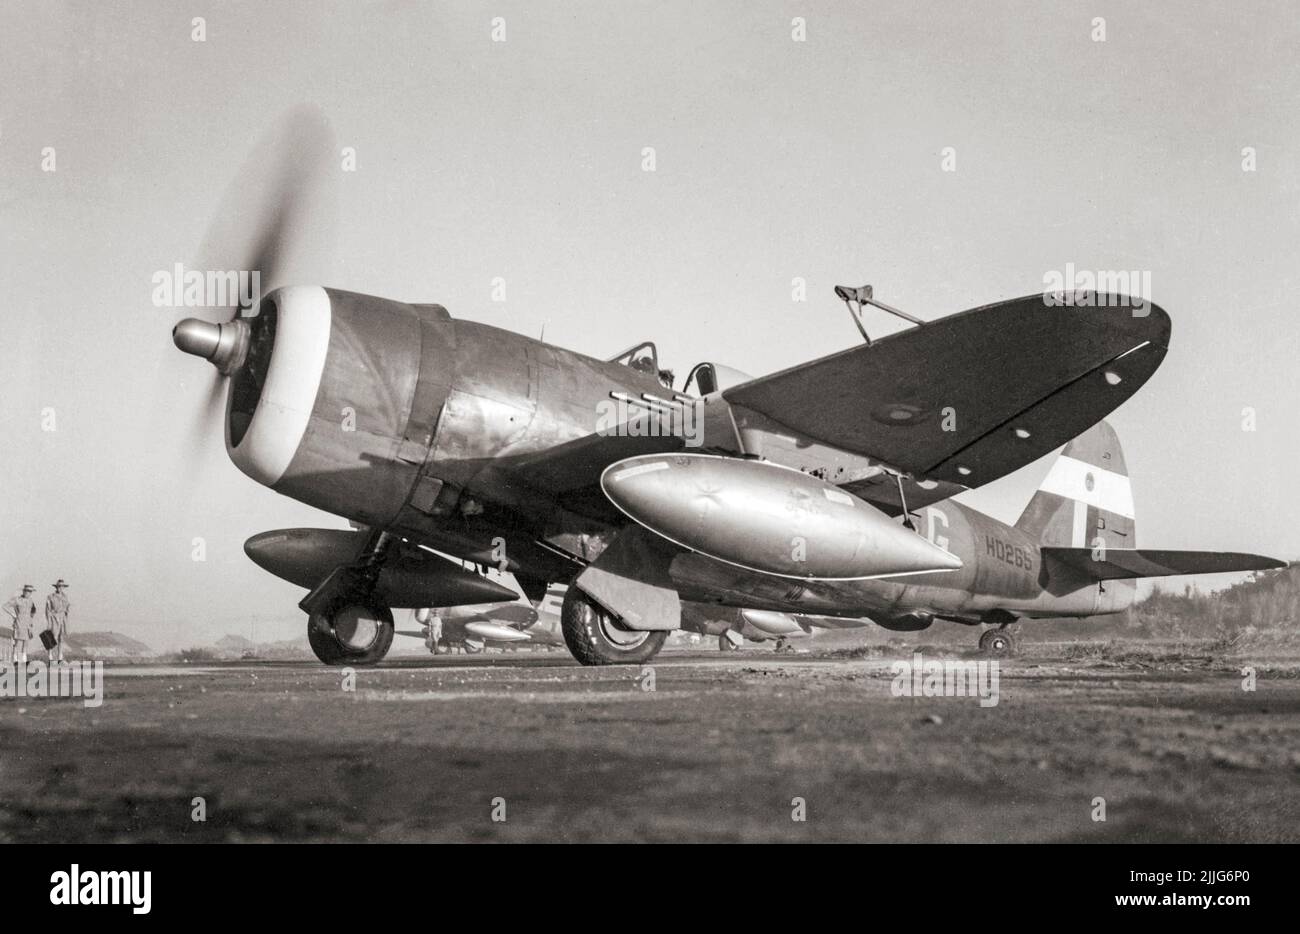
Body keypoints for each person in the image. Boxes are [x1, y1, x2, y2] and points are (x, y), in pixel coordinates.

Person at [3, 585, 39, 663]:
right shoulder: (17, 600)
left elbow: (33, 611)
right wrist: (13, 614)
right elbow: (5, 606)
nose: (28, 593)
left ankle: (23, 659)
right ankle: (15, 659)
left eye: (30, 592)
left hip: (28, 624)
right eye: (27, 591)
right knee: (18, 642)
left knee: (26, 642)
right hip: (19, 622)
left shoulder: (31, 601)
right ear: (23, 591)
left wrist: (31, 620)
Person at [45, 579, 70, 664]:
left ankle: (60, 657)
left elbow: (67, 608)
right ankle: (50, 657)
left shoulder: (65, 597)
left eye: (62, 586)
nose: (60, 588)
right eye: (59, 586)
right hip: (54, 617)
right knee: (52, 637)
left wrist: (65, 618)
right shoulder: (51, 596)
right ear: (56, 587)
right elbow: (48, 610)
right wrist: (49, 620)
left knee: (61, 638)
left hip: (62, 618)